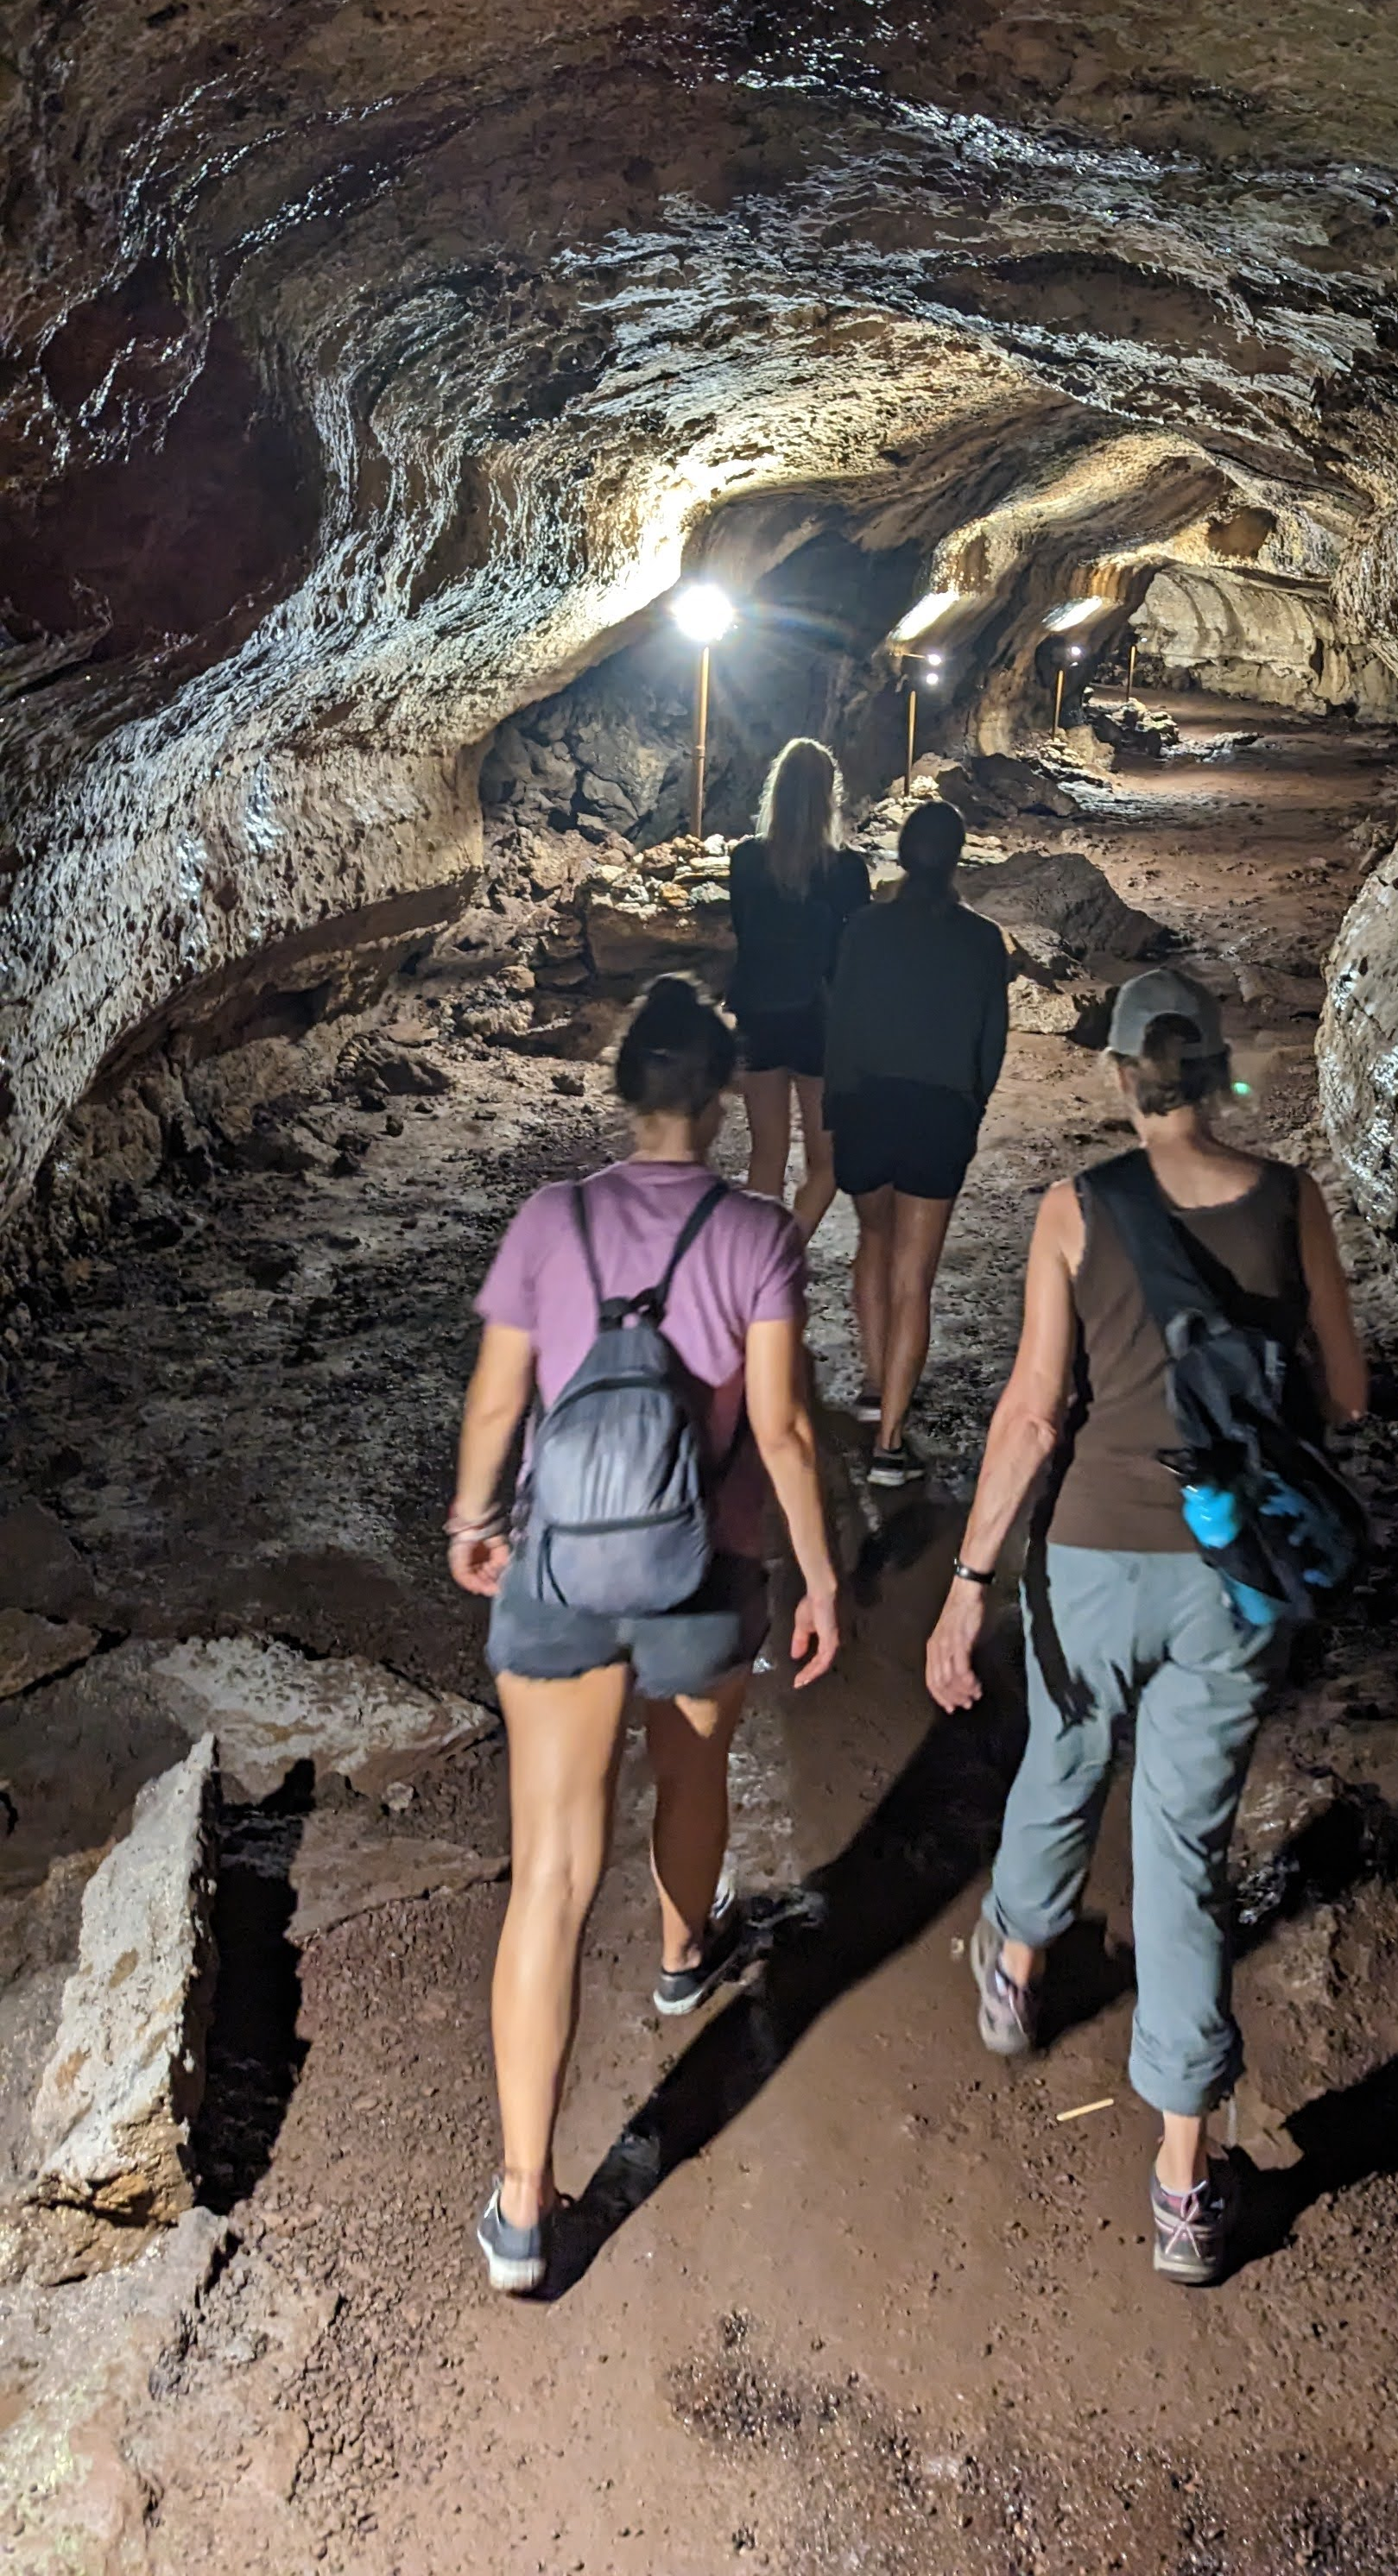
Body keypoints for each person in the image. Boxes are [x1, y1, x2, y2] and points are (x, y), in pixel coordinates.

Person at [924, 970, 1366, 2286]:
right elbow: (1344, 1393)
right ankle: (1182, 2186)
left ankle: (1016, 1970)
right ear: (1220, 1069)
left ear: (1120, 1077)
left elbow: (1031, 1417)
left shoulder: (1077, 1207)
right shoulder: (1294, 1202)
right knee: (1182, 1850)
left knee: (1063, 1755)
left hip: (1095, 1560)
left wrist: (967, 1580)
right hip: (1231, 1578)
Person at [447, 975, 843, 2295]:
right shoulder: (755, 1236)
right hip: (704, 1569)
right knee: (692, 1777)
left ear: (624, 1093)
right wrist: (823, 1578)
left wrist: (472, 1521)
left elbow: (498, 1399)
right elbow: (783, 1432)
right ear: (724, 1104)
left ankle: (520, 2205)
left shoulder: (549, 1222)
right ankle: (685, 1958)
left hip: (560, 1568)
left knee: (549, 1880)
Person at [824, 796, 1009, 1491]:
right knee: (914, 1278)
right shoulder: (982, 940)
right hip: (937, 1115)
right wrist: (969, 1110)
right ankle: (891, 1442)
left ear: (901, 855)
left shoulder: (864, 930)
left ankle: (875, 1385)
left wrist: (838, 1107)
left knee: (873, 1243)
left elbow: (840, 1024)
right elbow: (991, 1044)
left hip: (869, 1106)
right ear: (957, 857)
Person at [727, 737, 870, 1241]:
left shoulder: (746, 862)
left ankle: (759, 1257)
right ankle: (789, 1247)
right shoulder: (848, 871)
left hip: (760, 1017)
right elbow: (855, 957)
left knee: (766, 1152)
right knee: (826, 1161)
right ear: (830, 796)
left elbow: (743, 934)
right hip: (820, 1025)